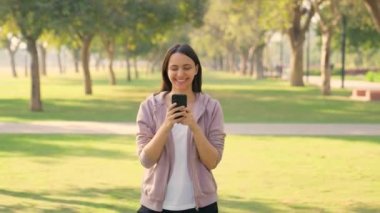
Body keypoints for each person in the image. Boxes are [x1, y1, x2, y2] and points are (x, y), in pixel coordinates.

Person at [136, 44, 226, 213]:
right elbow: (146, 160)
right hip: (155, 205)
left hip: (201, 206)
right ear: (166, 71)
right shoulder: (149, 106)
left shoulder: (212, 107)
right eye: (174, 68)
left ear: (196, 69)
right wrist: (166, 125)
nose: (180, 74)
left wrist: (194, 126)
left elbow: (212, 161)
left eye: (187, 68)